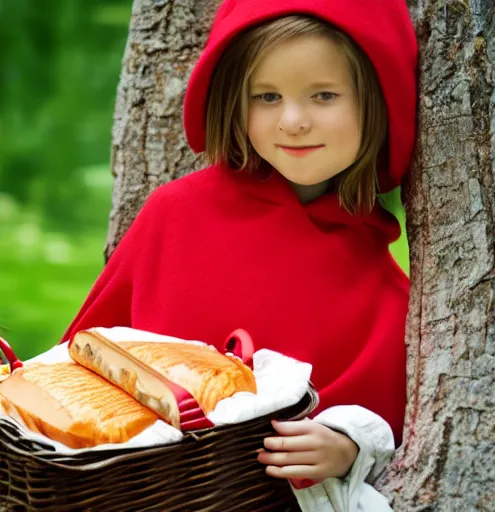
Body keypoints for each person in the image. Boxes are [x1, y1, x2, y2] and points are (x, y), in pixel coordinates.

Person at [61, 0, 418, 509]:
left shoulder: (390, 295)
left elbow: (385, 430)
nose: (293, 121)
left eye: (324, 95)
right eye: (267, 96)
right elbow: (78, 369)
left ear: (379, 101)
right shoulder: (177, 216)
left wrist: (346, 446)